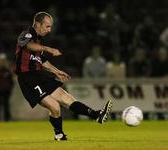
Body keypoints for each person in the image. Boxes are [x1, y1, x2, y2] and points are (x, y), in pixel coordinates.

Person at [14, 12, 113, 141]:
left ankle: (97, 115)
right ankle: (59, 134)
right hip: (28, 78)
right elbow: (27, 45)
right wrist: (49, 49)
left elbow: (42, 62)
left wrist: (57, 71)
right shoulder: (27, 34)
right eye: (47, 26)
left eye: (50, 27)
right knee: (55, 106)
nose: (49, 30)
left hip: (39, 75)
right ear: (38, 24)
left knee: (67, 98)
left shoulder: (38, 41)